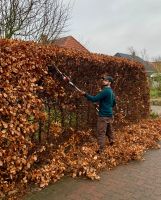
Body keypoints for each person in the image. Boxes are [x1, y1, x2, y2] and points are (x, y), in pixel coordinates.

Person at [80, 75, 116, 154]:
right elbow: (113, 103)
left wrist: (85, 94)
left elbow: (94, 99)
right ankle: (112, 141)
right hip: (109, 114)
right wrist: (103, 105)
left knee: (101, 132)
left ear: (109, 82)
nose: (103, 81)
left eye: (106, 80)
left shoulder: (105, 90)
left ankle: (101, 150)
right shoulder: (111, 92)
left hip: (103, 115)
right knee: (109, 129)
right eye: (103, 80)